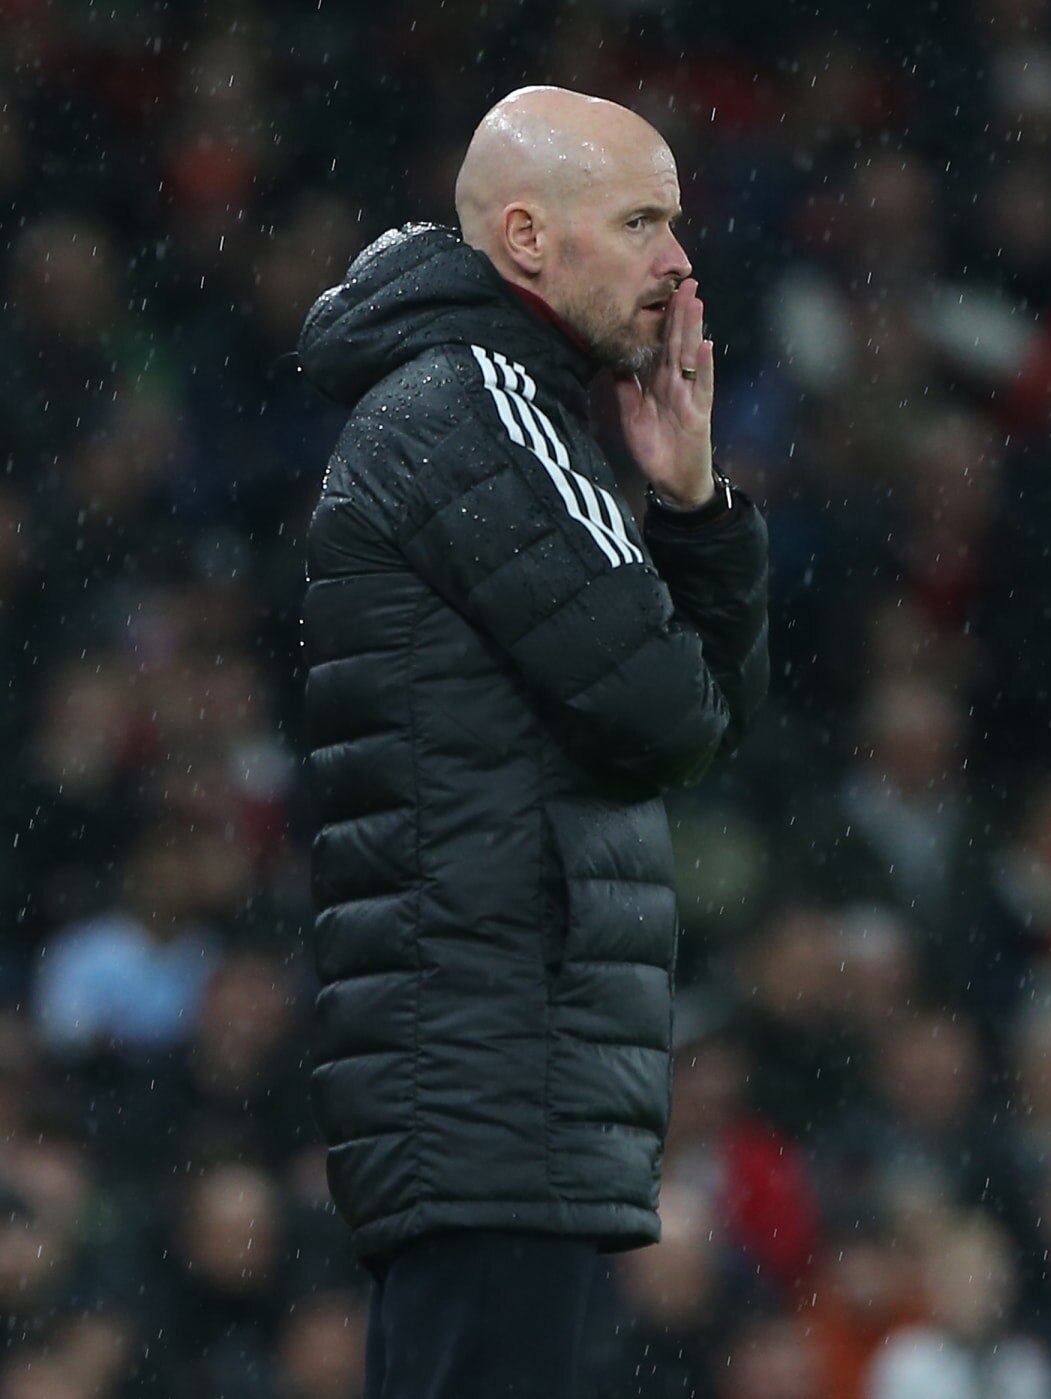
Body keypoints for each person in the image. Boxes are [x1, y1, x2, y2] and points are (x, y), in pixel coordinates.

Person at [297, 85, 770, 1399]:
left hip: (508, 1082)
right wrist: (680, 533)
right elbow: (668, 718)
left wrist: (691, 513)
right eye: (640, 220)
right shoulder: (475, 408)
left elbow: (703, 726)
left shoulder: (524, 414)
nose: (678, 260)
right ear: (525, 239)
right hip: (490, 1075)